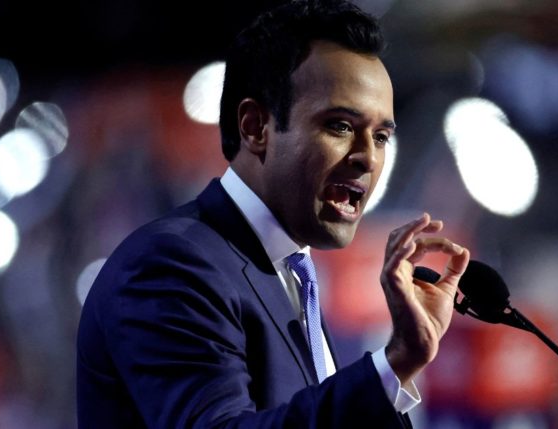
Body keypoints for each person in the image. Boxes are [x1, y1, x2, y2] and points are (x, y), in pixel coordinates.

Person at [76, 1, 470, 427]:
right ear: (255, 128)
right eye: (339, 126)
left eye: (381, 136)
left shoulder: (291, 274)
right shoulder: (171, 264)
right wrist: (391, 365)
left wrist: (400, 362)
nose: (368, 158)